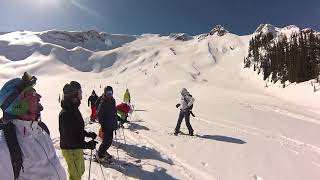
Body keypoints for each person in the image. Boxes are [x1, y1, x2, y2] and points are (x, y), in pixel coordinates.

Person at [0, 72, 67, 180]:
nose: (39, 96)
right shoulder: (4, 147)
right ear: (18, 105)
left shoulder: (42, 129)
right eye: (32, 93)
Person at [59, 81, 97, 180]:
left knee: (80, 171)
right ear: (74, 94)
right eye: (80, 93)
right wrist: (86, 145)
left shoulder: (74, 109)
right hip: (70, 149)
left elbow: (76, 129)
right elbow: (69, 139)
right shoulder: (66, 113)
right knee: (75, 175)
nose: (81, 96)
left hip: (76, 147)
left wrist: (87, 134)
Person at [95, 86, 117, 162]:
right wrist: (103, 125)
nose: (109, 95)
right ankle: (100, 155)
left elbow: (114, 112)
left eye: (110, 93)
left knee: (109, 141)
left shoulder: (113, 100)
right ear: (105, 93)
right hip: (106, 125)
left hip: (111, 125)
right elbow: (99, 114)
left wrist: (115, 123)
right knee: (106, 142)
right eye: (108, 93)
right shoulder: (103, 102)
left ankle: (102, 151)